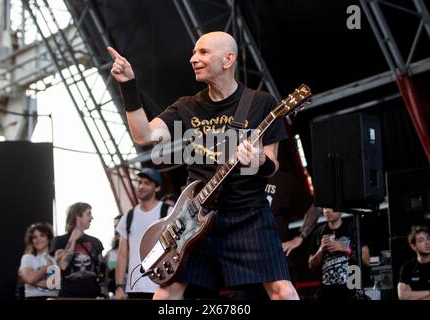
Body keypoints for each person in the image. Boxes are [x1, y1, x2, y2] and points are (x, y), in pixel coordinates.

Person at [108, 30, 299, 300]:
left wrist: (258, 160)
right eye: (194, 52)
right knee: (167, 292)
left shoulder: (260, 103)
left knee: (282, 291)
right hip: (193, 216)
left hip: (247, 215)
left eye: (203, 52)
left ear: (228, 59)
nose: (193, 58)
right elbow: (144, 135)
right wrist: (128, 85)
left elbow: (273, 164)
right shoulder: (187, 106)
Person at [114, 168, 173, 299]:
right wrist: (118, 286)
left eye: (147, 183)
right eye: (139, 182)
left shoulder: (168, 212)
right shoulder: (128, 217)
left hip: (162, 286)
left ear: (157, 188)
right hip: (134, 287)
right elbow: (122, 254)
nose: (141, 186)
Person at [308, 207, 370, 300]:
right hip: (326, 291)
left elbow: (366, 260)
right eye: (324, 208)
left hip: (352, 287)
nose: (327, 211)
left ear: (341, 210)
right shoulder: (318, 233)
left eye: (331, 207)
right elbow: (311, 264)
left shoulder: (353, 230)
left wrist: (346, 249)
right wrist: (321, 249)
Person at [50, 202, 106, 298]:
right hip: (68, 295)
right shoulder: (59, 241)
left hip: (92, 294)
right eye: (88, 214)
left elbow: (102, 269)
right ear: (77, 216)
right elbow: (63, 265)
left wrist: (104, 291)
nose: (92, 218)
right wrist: (73, 239)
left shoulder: (96, 242)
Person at [18, 223, 58, 300]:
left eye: (42, 235)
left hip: (54, 298)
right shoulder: (27, 258)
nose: (38, 239)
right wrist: (46, 267)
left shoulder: (55, 258)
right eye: (35, 237)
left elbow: (54, 284)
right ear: (31, 240)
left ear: (48, 238)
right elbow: (30, 279)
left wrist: (30, 280)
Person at [397, 225, 430, 300]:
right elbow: (402, 295)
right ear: (414, 246)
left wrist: (413, 296)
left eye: (428, 239)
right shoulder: (407, 267)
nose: (427, 242)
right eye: (421, 240)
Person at [104, 214, 122, 297]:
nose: (116, 229)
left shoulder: (137, 252)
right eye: (115, 226)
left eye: (119, 225)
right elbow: (105, 277)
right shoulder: (110, 254)